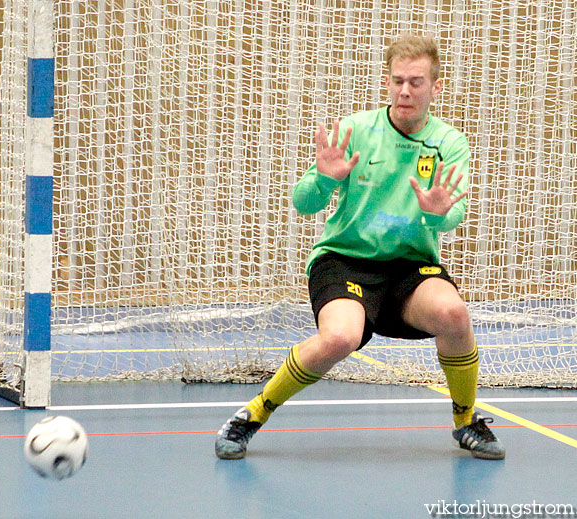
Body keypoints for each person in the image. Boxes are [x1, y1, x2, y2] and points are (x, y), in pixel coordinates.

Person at [215, 34, 505, 461]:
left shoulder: (449, 142)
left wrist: (436, 213)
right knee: (339, 338)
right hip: (345, 261)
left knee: (454, 313)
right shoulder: (355, 131)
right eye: (397, 80)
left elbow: (452, 217)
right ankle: (252, 415)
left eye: (416, 82)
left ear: (435, 88)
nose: (405, 90)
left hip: (410, 269)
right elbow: (303, 202)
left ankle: (465, 421)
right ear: (388, 83)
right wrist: (326, 178)